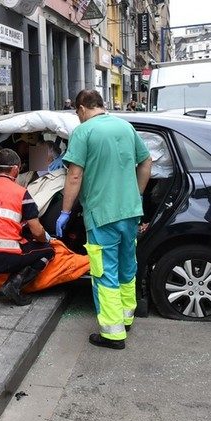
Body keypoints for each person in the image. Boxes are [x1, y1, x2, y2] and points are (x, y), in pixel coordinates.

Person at [59, 89, 153, 350]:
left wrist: (65, 211)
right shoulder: (125, 127)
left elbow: (74, 175)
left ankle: (112, 333)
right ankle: (126, 317)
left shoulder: (84, 132)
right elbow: (146, 162)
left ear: (81, 108)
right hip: (130, 212)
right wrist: (137, 194)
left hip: (102, 215)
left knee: (104, 272)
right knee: (127, 266)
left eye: (77, 113)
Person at [0, 149, 54, 305]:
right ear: (15, 169)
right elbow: (36, 231)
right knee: (48, 251)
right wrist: (46, 239)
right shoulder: (21, 193)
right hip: (6, 260)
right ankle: (13, 285)